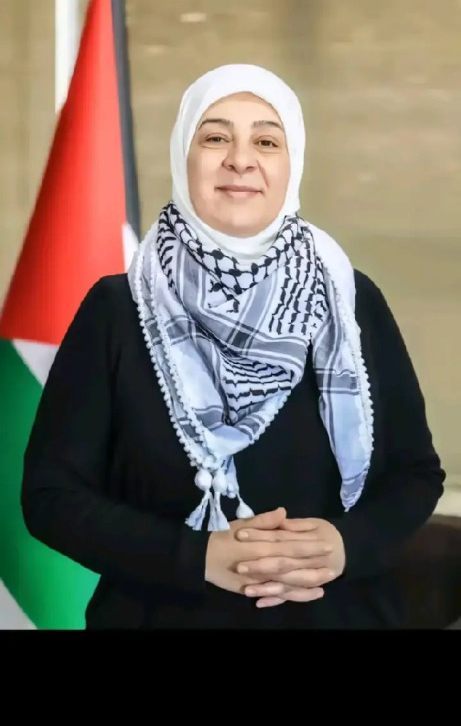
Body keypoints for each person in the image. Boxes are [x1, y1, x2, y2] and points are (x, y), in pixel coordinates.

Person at [21, 63, 445, 629]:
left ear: (292, 163)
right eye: (216, 137)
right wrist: (196, 557)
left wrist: (347, 545)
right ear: (184, 156)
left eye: (266, 141)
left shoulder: (350, 300)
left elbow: (415, 474)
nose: (241, 160)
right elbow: (51, 497)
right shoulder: (117, 310)